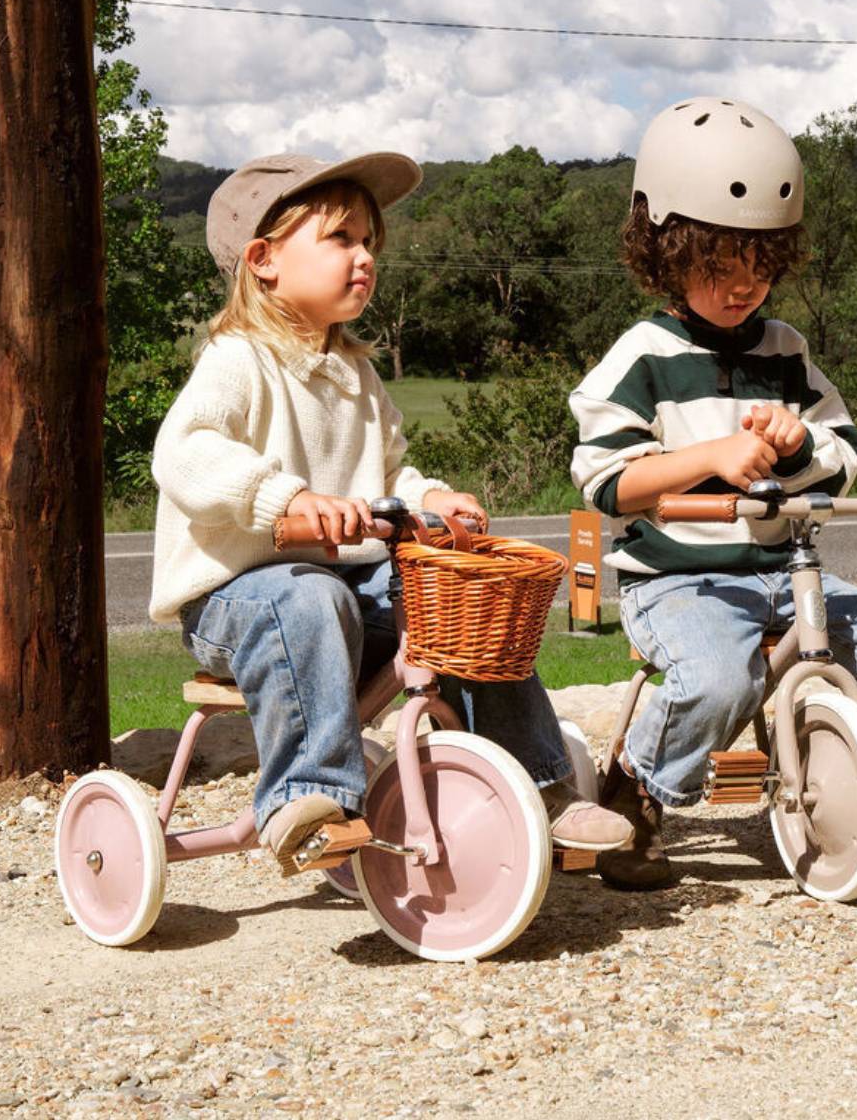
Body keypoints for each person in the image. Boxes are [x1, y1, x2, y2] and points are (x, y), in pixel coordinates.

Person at [149, 151, 631, 874]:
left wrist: (428, 497)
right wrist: (287, 499)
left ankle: (537, 783)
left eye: (369, 241)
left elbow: (388, 474)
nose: (365, 256)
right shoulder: (238, 360)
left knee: (461, 595)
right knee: (307, 597)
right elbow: (184, 452)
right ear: (264, 260)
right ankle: (309, 795)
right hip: (238, 598)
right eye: (341, 239)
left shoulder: (356, 373)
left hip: (342, 593)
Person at [569, 97, 857, 889]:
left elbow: (844, 450)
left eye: (760, 267)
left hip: (784, 570)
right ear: (665, 252)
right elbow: (608, 483)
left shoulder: (786, 351)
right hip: (679, 577)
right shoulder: (642, 356)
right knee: (721, 678)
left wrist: (800, 445)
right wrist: (709, 456)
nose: (743, 286)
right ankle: (638, 792)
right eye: (719, 265)